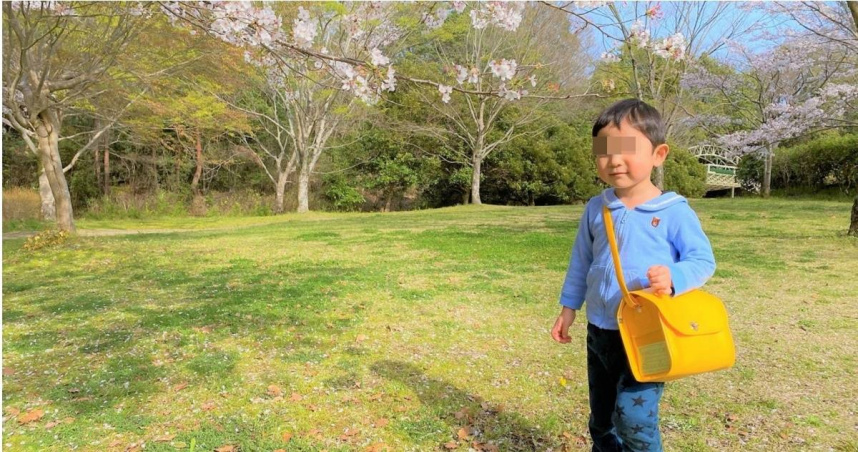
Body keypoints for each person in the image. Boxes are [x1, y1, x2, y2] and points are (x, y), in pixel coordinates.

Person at [551, 99, 716, 452]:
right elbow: (581, 261)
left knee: (634, 418)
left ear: (659, 154)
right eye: (604, 151)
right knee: (602, 417)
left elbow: (703, 260)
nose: (614, 160)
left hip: (648, 333)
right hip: (600, 330)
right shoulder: (597, 208)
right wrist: (569, 308)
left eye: (628, 149)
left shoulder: (673, 211)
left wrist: (674, 278)